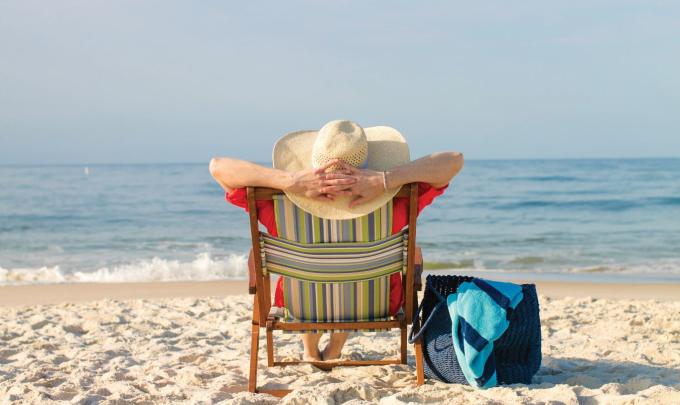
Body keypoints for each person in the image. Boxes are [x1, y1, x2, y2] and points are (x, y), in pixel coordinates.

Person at [210, 120, 463, 362]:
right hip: (375, 305)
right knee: (352, 276)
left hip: (298, 306)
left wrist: (290, 181)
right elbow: (454, 160)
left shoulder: (275, 204)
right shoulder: (397, 200)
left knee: (313, 276)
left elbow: (218, 166)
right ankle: (334, 349)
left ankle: (310, 352)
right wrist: (385, 179)